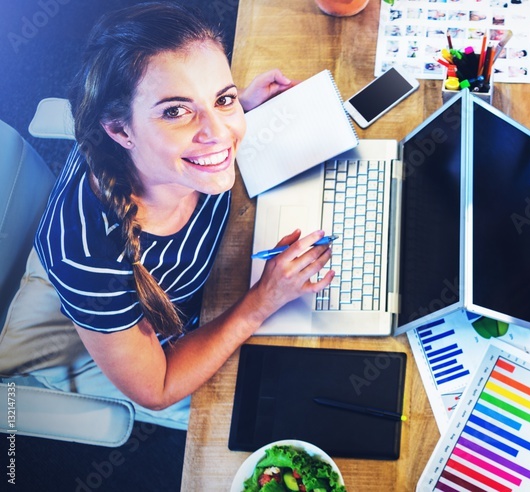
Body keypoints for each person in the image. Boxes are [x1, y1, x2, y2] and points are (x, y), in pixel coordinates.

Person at [0, 2, 335, 429]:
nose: (220, 133)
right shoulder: (88, 259)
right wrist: (263, 300)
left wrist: (243, 107)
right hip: (125, 339)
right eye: (175, 111)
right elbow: (157, 388)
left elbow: (214, 130)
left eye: (222, 97)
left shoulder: (186, 151)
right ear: (121, 131)